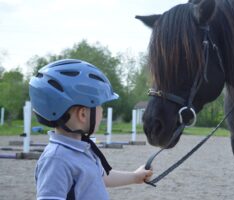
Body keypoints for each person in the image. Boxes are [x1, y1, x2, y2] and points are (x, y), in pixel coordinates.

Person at [29, 59, 153, 200]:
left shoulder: (82, 148)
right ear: (83, 114)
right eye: (100, 106)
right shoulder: (56, 159)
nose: (103, 112)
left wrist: (135, 177)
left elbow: (102, 177)